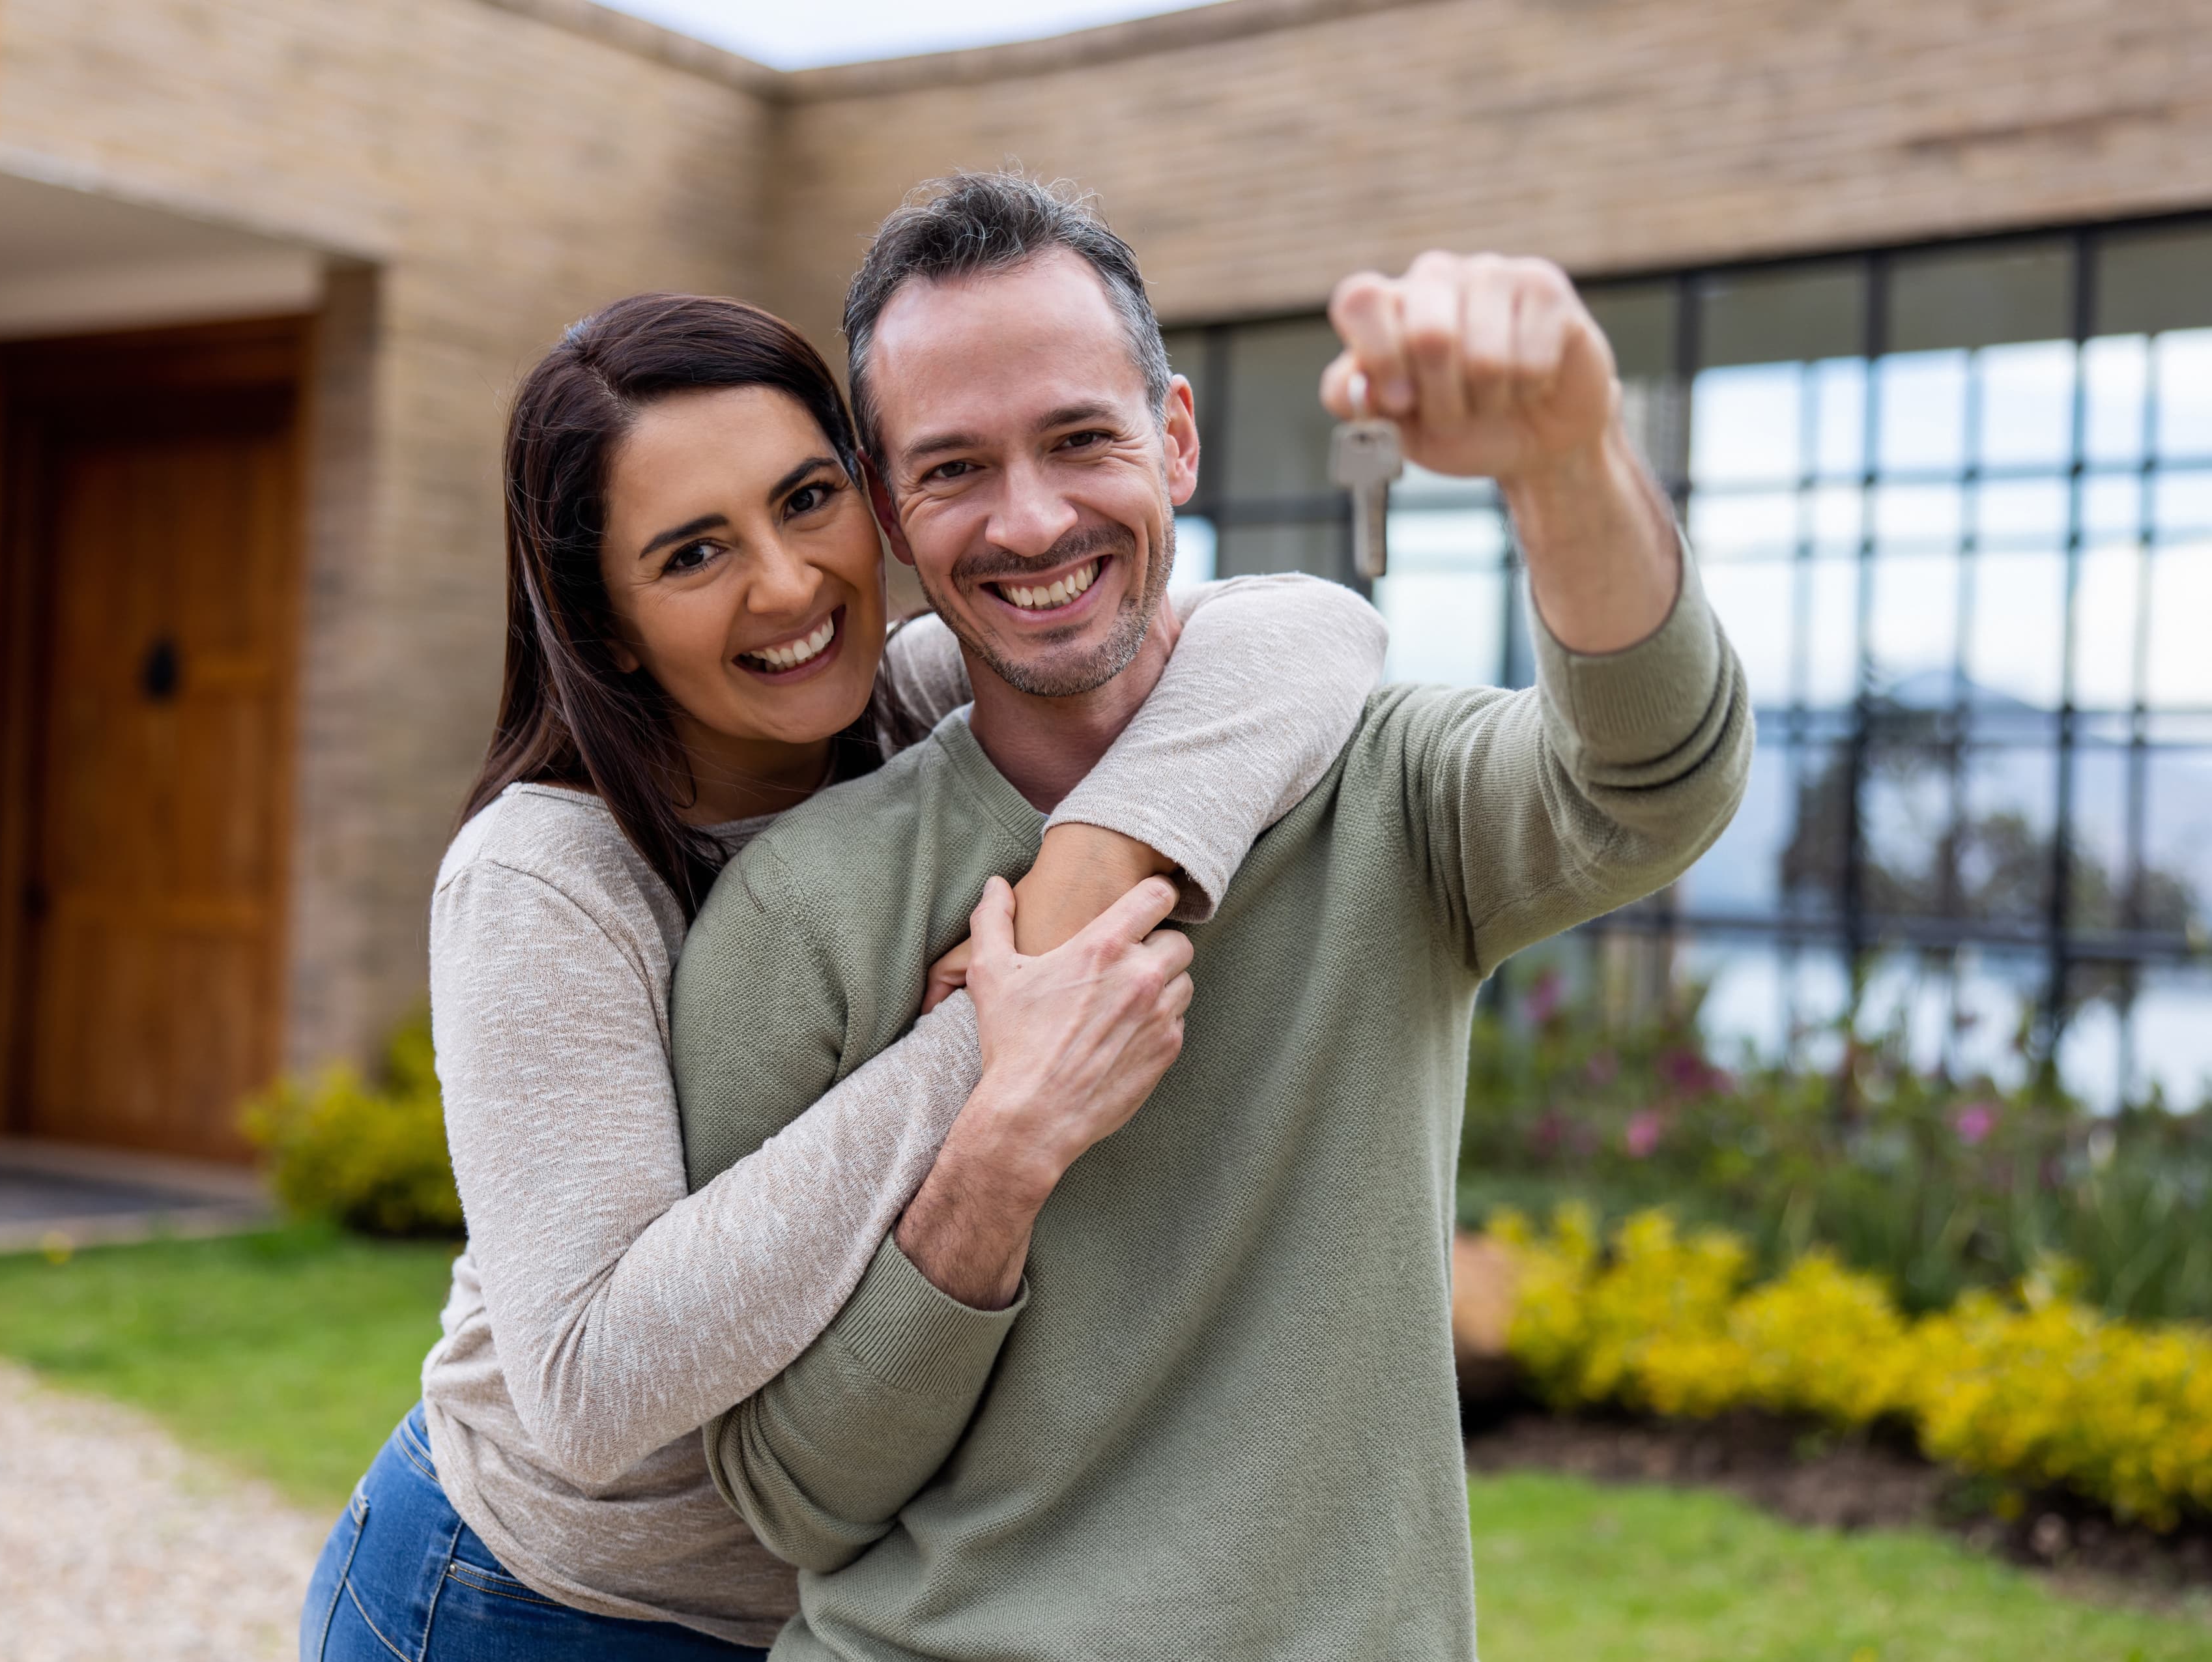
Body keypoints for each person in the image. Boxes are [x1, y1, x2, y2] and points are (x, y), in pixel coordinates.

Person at [670, 174, 1753, 1661]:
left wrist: (1568, 462)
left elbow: (1653, 782)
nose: (1032, 517)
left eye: (1080, 438)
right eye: (956, 468)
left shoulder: (1393, 792)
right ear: (889, 512)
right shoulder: (798, 915)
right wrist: (999, 1155)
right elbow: (794, 1495)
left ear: (1174, 438)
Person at [297, 289, 1391, 1660]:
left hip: (827, 1608)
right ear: (609, 620)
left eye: (808, 499)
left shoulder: (912, 708)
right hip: (528, 1603)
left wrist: (1083, 878)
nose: (789, 583)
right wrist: (988, 1042)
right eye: (694, 552)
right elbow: (584, 1380)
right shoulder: (544, 875)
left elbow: (1303, 632)